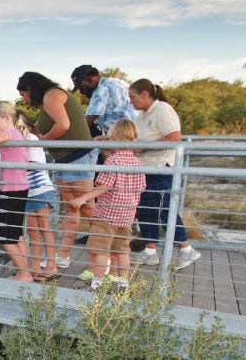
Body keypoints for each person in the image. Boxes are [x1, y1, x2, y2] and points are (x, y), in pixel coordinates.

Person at [16, 71, 95, 271]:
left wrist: (43, 140)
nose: (24, 99)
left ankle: (108, 256)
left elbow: (64, 125)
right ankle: (63, 256)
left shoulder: (52, 95)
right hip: (65, 160)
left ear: (30, 88)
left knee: (88, 209)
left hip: (77, 157)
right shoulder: (47, 101)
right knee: (72, 208)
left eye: (23, 94)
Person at [128, 79, 201, 270]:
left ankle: (186, 249)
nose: (130, 102)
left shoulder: (163, 109)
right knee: (145, 210)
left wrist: (142, 148)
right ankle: (150, 251)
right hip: (145, 169)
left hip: (161, 167)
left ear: (145, 95)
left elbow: (174, 138)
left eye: (133, 97)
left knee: (164, 210)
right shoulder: (142, 115)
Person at [68, 119, 145, 290]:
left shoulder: (113, 161)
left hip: (107, 215)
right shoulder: (137, 163)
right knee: (123, 251)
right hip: (126, 216)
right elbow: (141, 187)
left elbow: (104, 187)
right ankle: (123, 283)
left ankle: (96, 284)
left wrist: (82, 198)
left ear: (114, 138)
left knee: (100, 251)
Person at [0, 100, 33, 282]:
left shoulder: (9, 133)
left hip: (11, 190)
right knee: (16, 234)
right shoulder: (18, 134)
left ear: (7, 118)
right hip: (19, 189)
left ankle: (25, 274)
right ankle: (23, 271)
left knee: (5, 237)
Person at [15, 110, 60, 280]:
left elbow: (34, 164)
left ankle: (51, 265)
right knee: (32, 230)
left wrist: (12, 164)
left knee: (44, 227)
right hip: (28, 191)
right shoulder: (16, 141)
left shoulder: (31, 139)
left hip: (40, 188)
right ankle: (35, 266)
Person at [70, 65, 139, 139]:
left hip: (126, 139)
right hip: (136, 133)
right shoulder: (118, 82)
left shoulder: (101, 89)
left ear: (89, 80)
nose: (81, 92)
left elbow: (86, 123)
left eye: (81, 87)